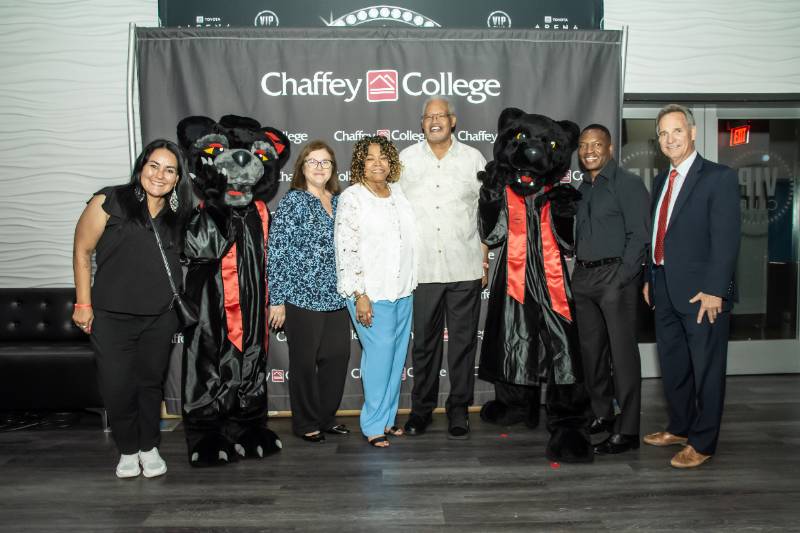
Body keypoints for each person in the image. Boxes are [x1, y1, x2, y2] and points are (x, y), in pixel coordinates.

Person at [72, 139, 193, 478]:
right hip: (110, 316)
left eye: (170, 170)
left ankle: (149, 446)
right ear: (142, 167)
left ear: (177, 178)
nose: (160, 175)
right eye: (154, 165)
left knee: (149, 383)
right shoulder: (109, 200)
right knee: (116, 385)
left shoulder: (178, 215)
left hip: (160, 317)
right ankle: (127, 448)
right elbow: (82, 251)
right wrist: (83, 303)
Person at [643, 104, 741, 468]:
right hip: (664, 286)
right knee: (674, 365)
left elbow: (726, 240)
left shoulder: (719, 177)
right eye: (663, 134)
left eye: (677, 131)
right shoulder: (661, 180)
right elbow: (658, 234)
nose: (670, 140)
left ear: (693, 133)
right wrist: (651, 277)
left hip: (703, 293)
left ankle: (703, 442)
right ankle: (681, 427)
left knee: (707, 369)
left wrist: (716, 289)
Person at [399, 97, 488, 440]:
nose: (434, 120)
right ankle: (421, 411)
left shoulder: (473, 158)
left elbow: (485, 212)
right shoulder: (405, 159)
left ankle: (458, 410)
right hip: (421, 271)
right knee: (424, 346)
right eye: (428, 116)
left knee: (463, 344)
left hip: (464, 267)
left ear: (453, 121)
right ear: (421, 123)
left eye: (441, 115)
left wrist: (482, 257)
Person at [572, 124, 651, 455]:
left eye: (596, 144)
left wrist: (621, 278)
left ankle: (629, 429)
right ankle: (603, 415)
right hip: (584, 279)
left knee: (623, 357)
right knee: (592, 357)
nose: (589, 149)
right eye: (583, 145)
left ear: (610, 148)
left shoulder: (628, 184)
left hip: (615, 280)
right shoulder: (583, 188)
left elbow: (641, 236)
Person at [335, 135, 417, 448]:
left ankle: (387, 418)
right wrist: (360, 293)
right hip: (371, 292)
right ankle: (372, 425)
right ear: (361, 164)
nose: (378, 163)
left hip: (402, 288)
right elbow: (347, 247)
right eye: (370, 158)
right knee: (381, 357)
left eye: (383, 157)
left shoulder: (398, 193)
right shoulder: (353, 197)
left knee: (394, 358)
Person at [268, 140, 351, 443]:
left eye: (325, 162)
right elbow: (277, 252)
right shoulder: (293, 202)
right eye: (313, 162)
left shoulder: (341, 202)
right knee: (304, 362)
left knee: (337, 357)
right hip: (301, 298)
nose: (319, 167)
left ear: (333, 168)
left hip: (338, 296)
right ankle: (305, 422)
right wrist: (276, 300)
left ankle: (326, 417)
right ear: (302, 168)